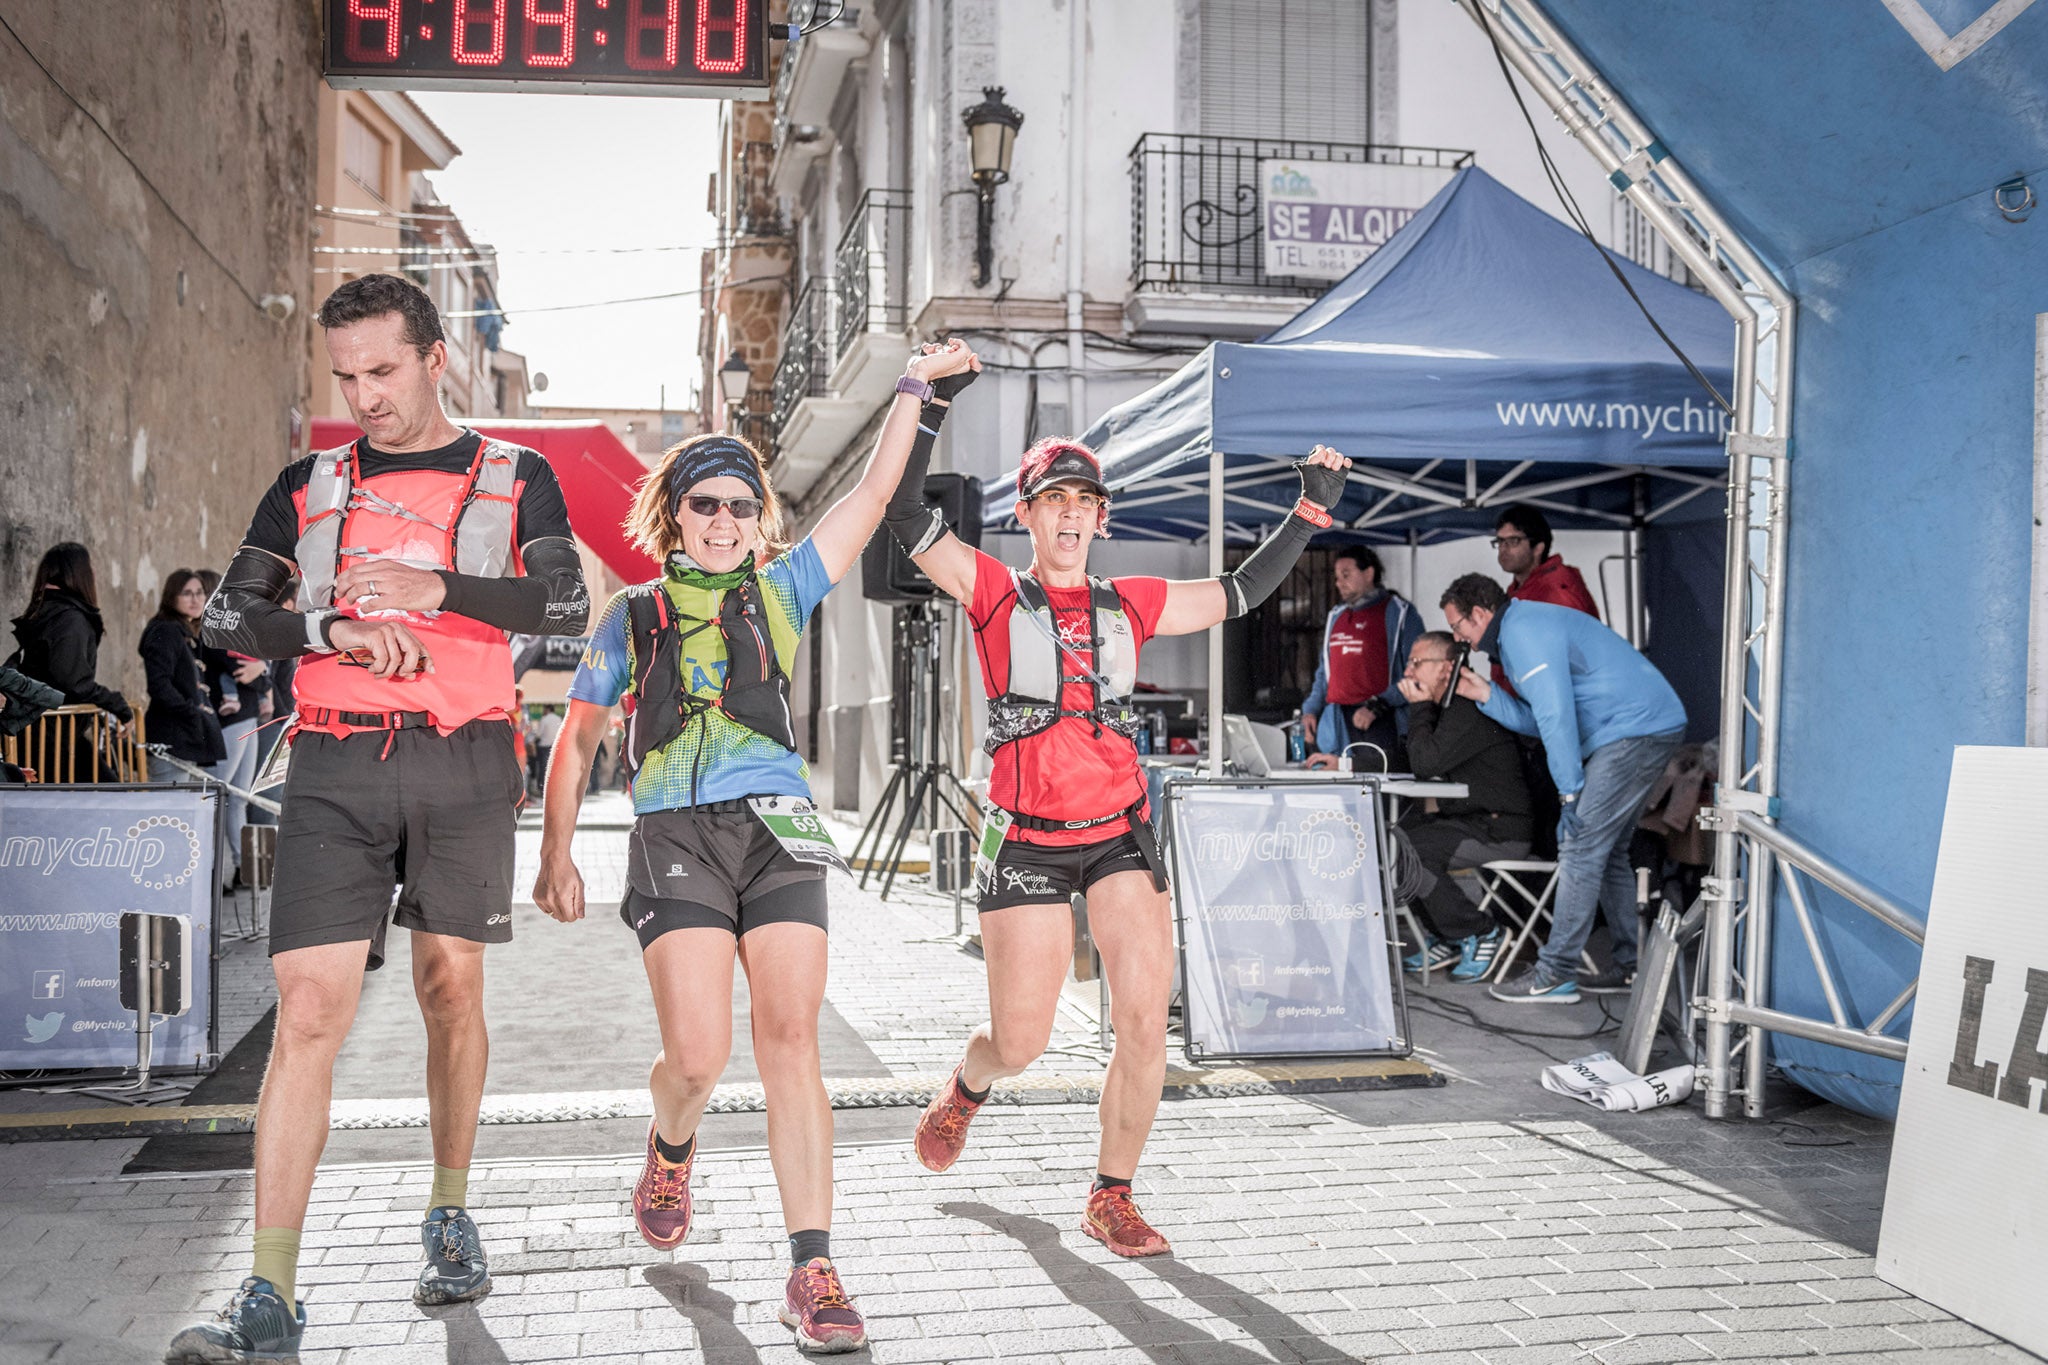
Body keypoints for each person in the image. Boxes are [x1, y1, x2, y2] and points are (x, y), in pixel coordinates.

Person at [167, 273, 589, 1365]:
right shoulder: (306, 483)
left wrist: (435, 588)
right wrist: (332, 633)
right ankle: (268, 1289)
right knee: (308, 1009)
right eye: (346, 375)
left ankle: (450, 1210)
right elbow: (225, 616)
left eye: (383, 371)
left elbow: (562, 605)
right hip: (334, 767)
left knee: (451, 990)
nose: (364, 396)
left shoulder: (516, 473)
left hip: (464, 762)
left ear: (434, 357)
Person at [531, 338, 984, 1355]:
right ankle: (670, 1144)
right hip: (673, 834)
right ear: (674, 516)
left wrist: (916, 391)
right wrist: (555, 851)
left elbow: (869, 500)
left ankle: (810, 1266)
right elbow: (578, 739)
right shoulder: (631, 616)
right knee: (696, 1055)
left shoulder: (779, 592)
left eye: (742, 505)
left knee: (789, 1039)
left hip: (778, 834)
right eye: (707, 505)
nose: (726, 520)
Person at [889, 413, 1351, 1258]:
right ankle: (966, 1086)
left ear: (1102, 518)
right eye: (1052, 498)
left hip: (1118, 834)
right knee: (1021, 1040)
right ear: (1025, 514)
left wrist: (1308, 514)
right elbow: (908, 520)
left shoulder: (1130, 601)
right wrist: (930, 406)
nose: (1069, 513)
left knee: (1143, 1022)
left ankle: (1111, 1194)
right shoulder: (994, 588)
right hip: (1026, 838)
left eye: (1084, 501)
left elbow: (1240, 592)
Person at [1440, 573, 1684, 1005]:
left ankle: (1554, 974)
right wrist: (1485, 694)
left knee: (1579, 843)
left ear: (1479, 614)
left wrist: (1569, 792)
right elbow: (1538, 719)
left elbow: (1554, 718)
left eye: (1458, 627)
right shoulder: (1520, 630)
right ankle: (1632, 969)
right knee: (1605, 853)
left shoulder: (1522, 633)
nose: (1461, 640)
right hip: (1640, 727)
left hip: (1633, 730)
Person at [1386, 631, 1532, 981]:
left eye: (1417, 663)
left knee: (1412, 852)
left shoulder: (1464, 710)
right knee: (1396, 840)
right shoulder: (1444, 710)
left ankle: (1481, 931)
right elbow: (1412, 756)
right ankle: (1448, 936)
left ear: (1447, 668)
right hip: (1472, 822)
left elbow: (1426, 763)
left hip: (1501, 830)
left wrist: (1418, 709)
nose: (1408, 671)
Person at [8, 542, 132, 779]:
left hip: (45, 732)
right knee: (112, 798)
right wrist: (117, 704)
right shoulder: (68, 618)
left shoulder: (48, 611)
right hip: (52, 735)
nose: (94, 573)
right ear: (79, 573)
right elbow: (72, 681)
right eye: (90, 567)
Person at [1299, 545, 1420, 772]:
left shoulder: (1400, 613)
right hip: (1337, 722)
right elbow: (1324, 673)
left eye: (1346, 575)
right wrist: (1310, 711)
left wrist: (1378, 706)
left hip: (1379, 720)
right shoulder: (1336, 616)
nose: (1339, 583)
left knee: (1377, 795)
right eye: (1337, 577)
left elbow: (1419, 673)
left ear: (1369, 573)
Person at [196, 567, 270, 887]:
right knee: (227, 796)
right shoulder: (214, 631)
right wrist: (261, 673)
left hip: (239, 718)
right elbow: (244, 668)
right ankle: (229, 870)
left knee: (227, 796)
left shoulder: (222, 629)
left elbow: (246, 668)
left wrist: (262, 672)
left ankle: (236, 871)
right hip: (238, 717)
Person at [138, 571, 228, 785]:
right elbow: (159, 685)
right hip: (171, 735)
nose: (195, 599)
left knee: (185, 811)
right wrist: (191, 711)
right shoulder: (166, 630)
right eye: (187, 593)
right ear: (172, 597)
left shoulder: (183, 632)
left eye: (200, 593)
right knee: (168, 812)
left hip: (186, 736)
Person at [1493, 504, 1599, 617]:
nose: (1503, 548)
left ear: (1538, 548)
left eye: (1513, 541)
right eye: (1500, 541)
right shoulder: (1520, 588)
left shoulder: (1556, 593)